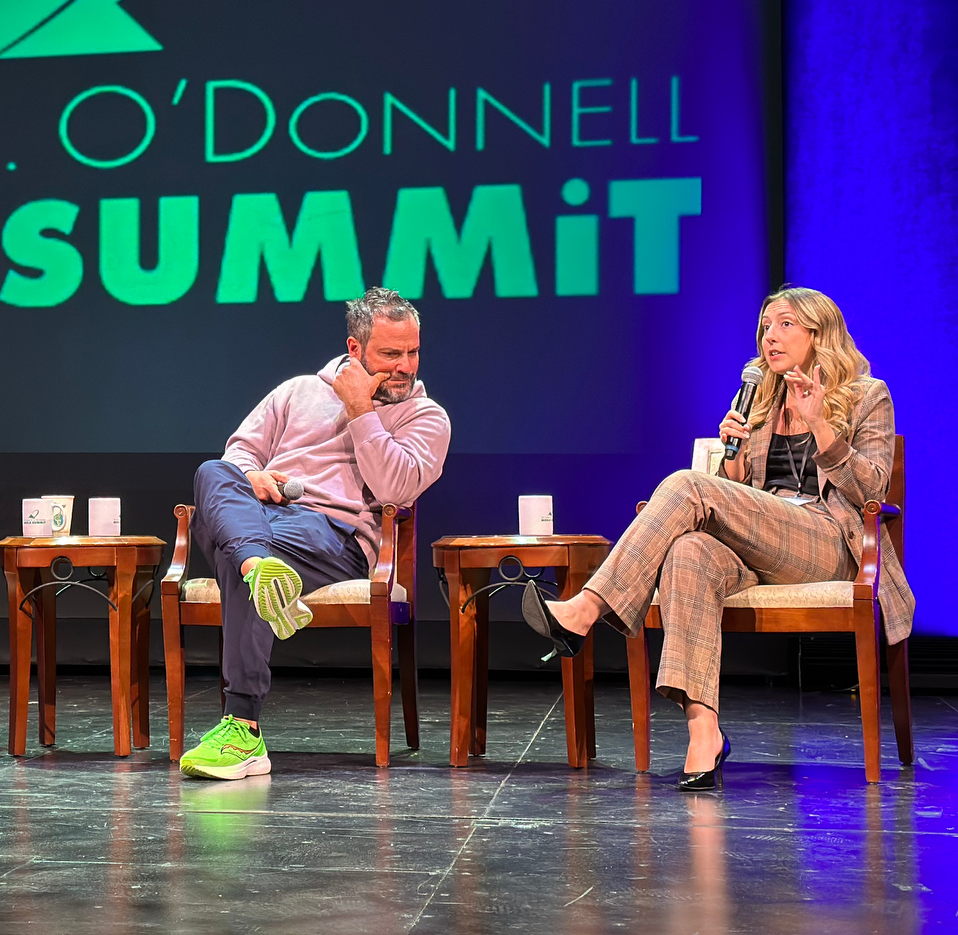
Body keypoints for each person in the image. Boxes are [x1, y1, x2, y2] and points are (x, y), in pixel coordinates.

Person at [523, 286, 913, 791]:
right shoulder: (759, 399)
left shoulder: (868, 395)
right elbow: (740, 500)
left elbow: (872, 491)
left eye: (784, 324)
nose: (769, 336)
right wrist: (732, 456)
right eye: (765, 326)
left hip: (830, 543)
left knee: (686, 484)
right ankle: (703, 731)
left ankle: (586, 610)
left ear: (821, 333)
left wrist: (821, 425)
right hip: (766, 541)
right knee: (689, 552)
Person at [178, 288, 451, 780]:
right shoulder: (297, 391)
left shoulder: (425, 418)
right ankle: (259, 567)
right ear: (355, 350)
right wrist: (253, 476)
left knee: (235, 545)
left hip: (333, 537)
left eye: (412, 352)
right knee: (213, 471)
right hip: (264, 521)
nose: (405, 366)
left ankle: (242, 728)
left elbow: (395, 487)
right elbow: (239, 454)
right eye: (390, 354)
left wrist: (360, 412)